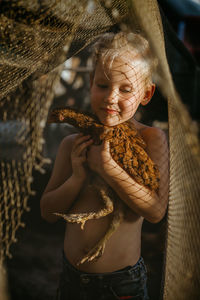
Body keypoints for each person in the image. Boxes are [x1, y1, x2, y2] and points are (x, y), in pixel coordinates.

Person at [40, 32, 169, 300]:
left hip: (121, 287)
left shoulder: (151, 140)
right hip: (71, 281)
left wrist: (108, 168)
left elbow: (156, 211)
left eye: (125, 89)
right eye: (103, 85)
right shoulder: (73, 144)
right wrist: (77, 177)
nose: (111, 97)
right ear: (90, 83)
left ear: (146, 94)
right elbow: (48, 213)